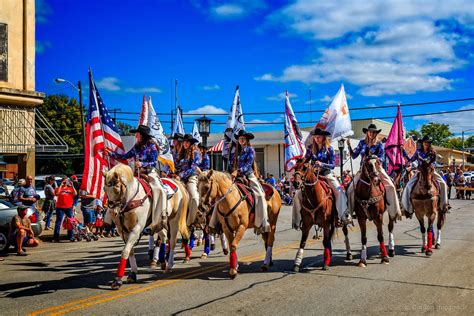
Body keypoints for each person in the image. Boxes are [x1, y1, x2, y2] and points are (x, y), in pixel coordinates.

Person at [292, 128, 350, 229]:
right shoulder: (310, 149)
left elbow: (332, 165)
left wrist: (322, 164)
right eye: (315, 137)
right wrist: (299, 160)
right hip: (313, 175)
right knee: (297, 194)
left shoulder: (329, 149)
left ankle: (343, 216)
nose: (316, 139)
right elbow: (305, 159)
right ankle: (298, 220)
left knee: (339, 191)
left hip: (326, 174)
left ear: (323, 137)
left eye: (318, 137)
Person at [347, 123, 401, 220]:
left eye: (374, 132)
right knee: (350, 189)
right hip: (363, 169)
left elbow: (382, 157)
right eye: (370, 132)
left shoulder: (379, 144)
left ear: (376, 134)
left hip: (377, 169)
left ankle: (393, 211)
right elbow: (354, 155)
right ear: (367, 133)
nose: (371, 133)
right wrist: (349, 147)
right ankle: (349, 214)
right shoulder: (362, 143)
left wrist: (375, 158)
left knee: (391, 186)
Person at [231, 130, 270, 233]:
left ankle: (263, 222)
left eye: (243, 138)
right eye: (240, 138)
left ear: (247, 140)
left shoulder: (250, 150)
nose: (241, 140)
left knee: (260, 195)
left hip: (248, 175)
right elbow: (232, 164)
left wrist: (238, 171)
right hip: (235, 175)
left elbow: (248, 164)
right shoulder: (236, 151)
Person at [401, 136, 450, 217]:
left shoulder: (432, 152)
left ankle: (444, 205)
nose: (427, 144)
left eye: (428, 142)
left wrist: (420, 159)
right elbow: (411, 159)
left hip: (430, 171)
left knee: (443, 184)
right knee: (408, 186)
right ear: (422, 143)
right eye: (425, 142)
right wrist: (405, 159)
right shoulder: (418, 151)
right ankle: (407, 209)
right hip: (420, 172)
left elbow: (427, 161)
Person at [178, 134, 201, 226]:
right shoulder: (181, 153)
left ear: (191, 143)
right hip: (179, 178)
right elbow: (177, 165)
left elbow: (193, 168)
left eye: (187, 142)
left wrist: (181, 175)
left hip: (191, 178)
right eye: (184, 142)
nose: (185, 143)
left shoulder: (195, 153)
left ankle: (190, 223)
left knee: (194, 198)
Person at [53, 177, 77, 242]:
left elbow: (75, 194)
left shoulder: (70, 188)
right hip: (60, 207)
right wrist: (61, 185)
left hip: (69, 207)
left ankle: (71, 236)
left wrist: (72, 186)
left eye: (66, 181)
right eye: (64, 181)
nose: (65, 182)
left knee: (71, 222)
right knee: (58, 222)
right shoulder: (58, 188)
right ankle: (56, 237)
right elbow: (57, 193)